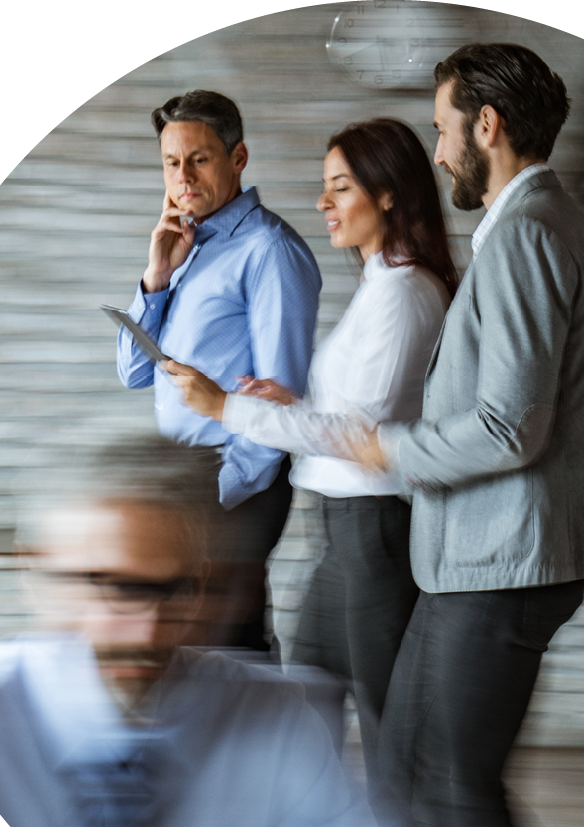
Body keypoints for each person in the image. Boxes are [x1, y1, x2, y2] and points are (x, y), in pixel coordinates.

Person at [0, 435, 491, 827]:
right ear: (34, 570)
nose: (147, 632)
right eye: (112, 588)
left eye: (177, 591)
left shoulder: (282, 721)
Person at [343, 43, 584, 827]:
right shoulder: (529, 224)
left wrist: (394, 448)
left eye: (441, 129)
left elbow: (509, 427)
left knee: (447, 782)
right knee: (419, 763)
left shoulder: (528, 232)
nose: (438, 151)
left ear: (486, 126)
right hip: (481, 558)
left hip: (502, 560)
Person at [165, 118, 457, 777]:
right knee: (305, 705)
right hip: (343, 532)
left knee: (388, 730)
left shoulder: (406, 293)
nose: (323, 202)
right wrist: (291, 404)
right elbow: (349, 416)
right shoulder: (382, 283)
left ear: (388, 193)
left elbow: (360, 437)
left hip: (374, 532)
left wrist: (228, 409)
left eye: (340, 187)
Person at [116, 90, 322, 651]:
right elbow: (133, 372)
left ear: (238, 158)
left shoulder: (269, 251)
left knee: (229, 649)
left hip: (237, 483)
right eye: (171, 162)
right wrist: (156, 276)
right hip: (190, 482)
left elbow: (281, 403)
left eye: (199, 159)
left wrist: (216, 493)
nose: (182, 177)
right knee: (193, 650)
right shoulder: (189, 244)